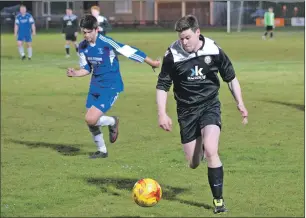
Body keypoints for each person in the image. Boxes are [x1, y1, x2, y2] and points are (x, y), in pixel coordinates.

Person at [155, 15, 248, 214]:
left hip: (209, 105)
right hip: (186, 111)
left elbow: (230, 78)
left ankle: (218, 202)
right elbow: (163, 85)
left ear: (198, 32)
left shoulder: (214, 50)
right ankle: (201, 149)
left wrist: (240, 103)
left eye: (187, 37)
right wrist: (162, 113)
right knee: (194, 163)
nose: (184, 42)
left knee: (212, 150)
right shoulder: (172, 54)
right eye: (181, 38)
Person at [66, 15, 160, 159]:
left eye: (88, 32)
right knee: (91, 122)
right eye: (83, 32)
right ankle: (102, 151)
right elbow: (86, 68)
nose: (86, 35)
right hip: (95, 86)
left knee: (90, 119)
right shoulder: (82, 47)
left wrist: (151, 62)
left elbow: (129, 50)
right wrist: (75, 73)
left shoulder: (106, 42)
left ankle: (112, 121)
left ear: (96, 30)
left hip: (111, 86)